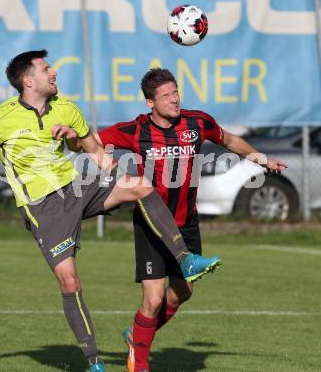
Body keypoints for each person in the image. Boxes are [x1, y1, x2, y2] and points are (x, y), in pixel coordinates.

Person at [0, 52, 221, 372]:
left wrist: (107, 163)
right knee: (70, 282)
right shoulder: (0, 119)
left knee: (140, 185)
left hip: (76, 190)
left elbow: (94, 150)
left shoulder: (66, 108)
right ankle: (94, 361)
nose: (54, 72)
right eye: (46, 69)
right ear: (28, 80)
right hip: (43, 209)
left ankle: (185, 259)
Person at [92, 68, 287, 372]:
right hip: (152, 224)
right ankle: (139, 362)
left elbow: (230, 139)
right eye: (165, 95)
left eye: (175, 92)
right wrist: (105, 162)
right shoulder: (135, 130)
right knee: (154, 298)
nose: (174, 99)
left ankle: (137, 335)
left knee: (184, 291)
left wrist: (261, 159)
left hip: (187, 223)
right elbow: (91, 141)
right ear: (149, 103)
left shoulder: (197, 122)